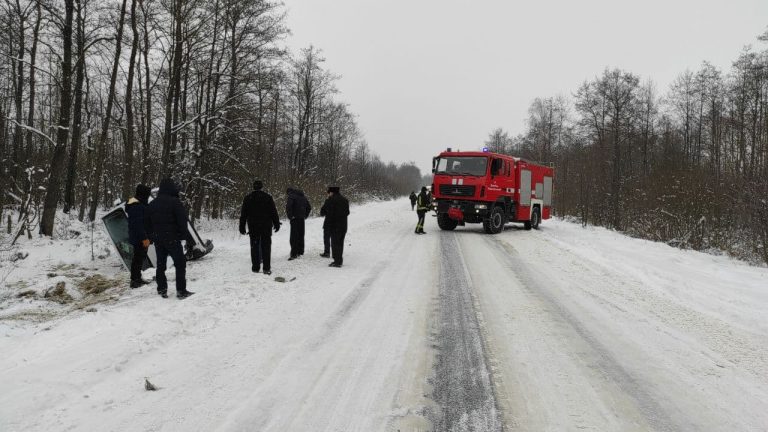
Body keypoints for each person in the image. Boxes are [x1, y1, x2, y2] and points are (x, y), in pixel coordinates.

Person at [146, 178, 195, 299]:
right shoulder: (175, 202)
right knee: (180, 264)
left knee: (160, 265)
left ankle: (162, 289)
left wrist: (152, 236)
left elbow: (147, 223)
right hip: (173, 239)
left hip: (159, 240)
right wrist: (183, 237)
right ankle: (181, 290)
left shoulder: (152, 204)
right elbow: (182, 221)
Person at [240, 180, 281, 275]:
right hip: (266, 226)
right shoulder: (268, 197)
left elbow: (243, 214)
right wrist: (276, 223)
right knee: (266, 247)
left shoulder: (248, 198)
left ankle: (255, 267)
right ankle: (266, 268)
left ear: (253, 187)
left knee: (254, 247)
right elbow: (273, 212)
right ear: (262, 187)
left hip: (253, 227)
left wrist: (242, 226)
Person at [126, 184, 151, 288]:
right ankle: (134, 280)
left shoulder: (138, 203)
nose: (148, 197)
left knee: (139, 258)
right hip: (139, 237)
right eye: (147, 194)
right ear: (143, 194)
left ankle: (137, 278)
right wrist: (144, 238)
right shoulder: (136, 206)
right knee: (138, 258)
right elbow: (138, 224)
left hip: (140, 236)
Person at [323, 186, 349, 267]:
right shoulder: (345, 200)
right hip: (343, 225)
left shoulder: (330, 200)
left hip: (334, 226)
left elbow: (324, 212)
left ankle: (337, 261)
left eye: (329, 192)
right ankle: (339, 260)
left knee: (335, 244)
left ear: (331, 192)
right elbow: (347, 212)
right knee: (340, 243)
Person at [286, 187, 311, 260]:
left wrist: (290, 216)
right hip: (301, 218)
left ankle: (294, 254)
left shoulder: (291, 196)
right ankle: (300, 251)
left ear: (289, 192)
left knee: (294, 236)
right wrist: (305, 215)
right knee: (301, 235)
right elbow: (309, 207)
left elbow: (288, 207)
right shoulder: (303, 197)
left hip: (294, 218)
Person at [319, 193, 332, 258]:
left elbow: (322, 212)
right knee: (335, 238)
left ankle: (327, 252)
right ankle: (336, 253)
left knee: (326, 238)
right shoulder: (341, 200)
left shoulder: (328, 201)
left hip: (328, 222)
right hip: (337, 223)